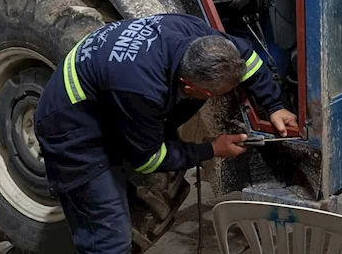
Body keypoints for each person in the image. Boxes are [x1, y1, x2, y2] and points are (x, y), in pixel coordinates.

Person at [35, 13, 298, 254]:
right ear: (188, 85)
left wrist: (274, 106)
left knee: (122, 202)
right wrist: (211, 149)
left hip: (105, 93)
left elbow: (248, 58)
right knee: (107, 237)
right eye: (211, 96)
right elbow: (148, 160)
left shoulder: (202, 39)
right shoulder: (141, 91)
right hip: (70, 126)